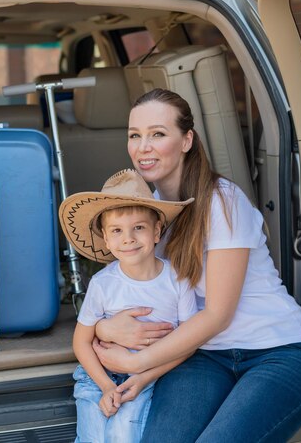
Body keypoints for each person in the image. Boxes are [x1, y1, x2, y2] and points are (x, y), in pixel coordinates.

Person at [92, 88, 301, 443]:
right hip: (203, 356)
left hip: (276, 352)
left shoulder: (222, 201)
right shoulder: (147, 216)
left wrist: (140, 364)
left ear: (187, 140)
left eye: (157, 134)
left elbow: (218, 315)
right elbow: (134, 290)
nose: (143, 147)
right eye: (134, 136)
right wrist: (106, 329)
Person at [58, 168, 198, 443]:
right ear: (106, 239)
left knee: (124, 435)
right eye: (117, 231)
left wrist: (145, 377)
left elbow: (189, 342)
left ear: (157, 231)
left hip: (147, 377)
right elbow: (82, 342)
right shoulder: (102, 284)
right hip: (97, 377)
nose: (128, 238)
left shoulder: (178, 279)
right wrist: (107, 385)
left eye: (139, 228)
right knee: (93, 437)